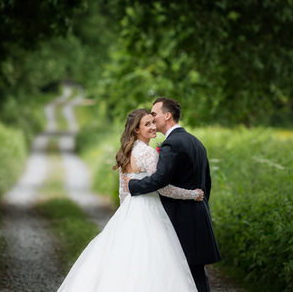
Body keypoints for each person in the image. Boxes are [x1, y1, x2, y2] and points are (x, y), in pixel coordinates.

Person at [57, 108, 205, 292]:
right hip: (149, 210)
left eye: (152, 122)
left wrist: (124, 212)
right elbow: (162, 187)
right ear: (136, 130)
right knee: (152, 259)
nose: (153, 127)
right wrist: (193, 194)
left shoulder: (127, 152)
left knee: (124, 258)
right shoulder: (148, 153)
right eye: (147, 124)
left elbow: (123, 190)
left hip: (129, 210)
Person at [124, 98, 222, 292]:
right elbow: (206, 182)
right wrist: (200, 203)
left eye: (154, 114)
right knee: (195, 274)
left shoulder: (172, 144)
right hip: (198, 213)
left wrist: (133, 185)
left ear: (167, 115)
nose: (152, 118)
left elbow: (160, 180)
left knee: (183, 274)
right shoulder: (196, 142)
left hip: (181, 218)